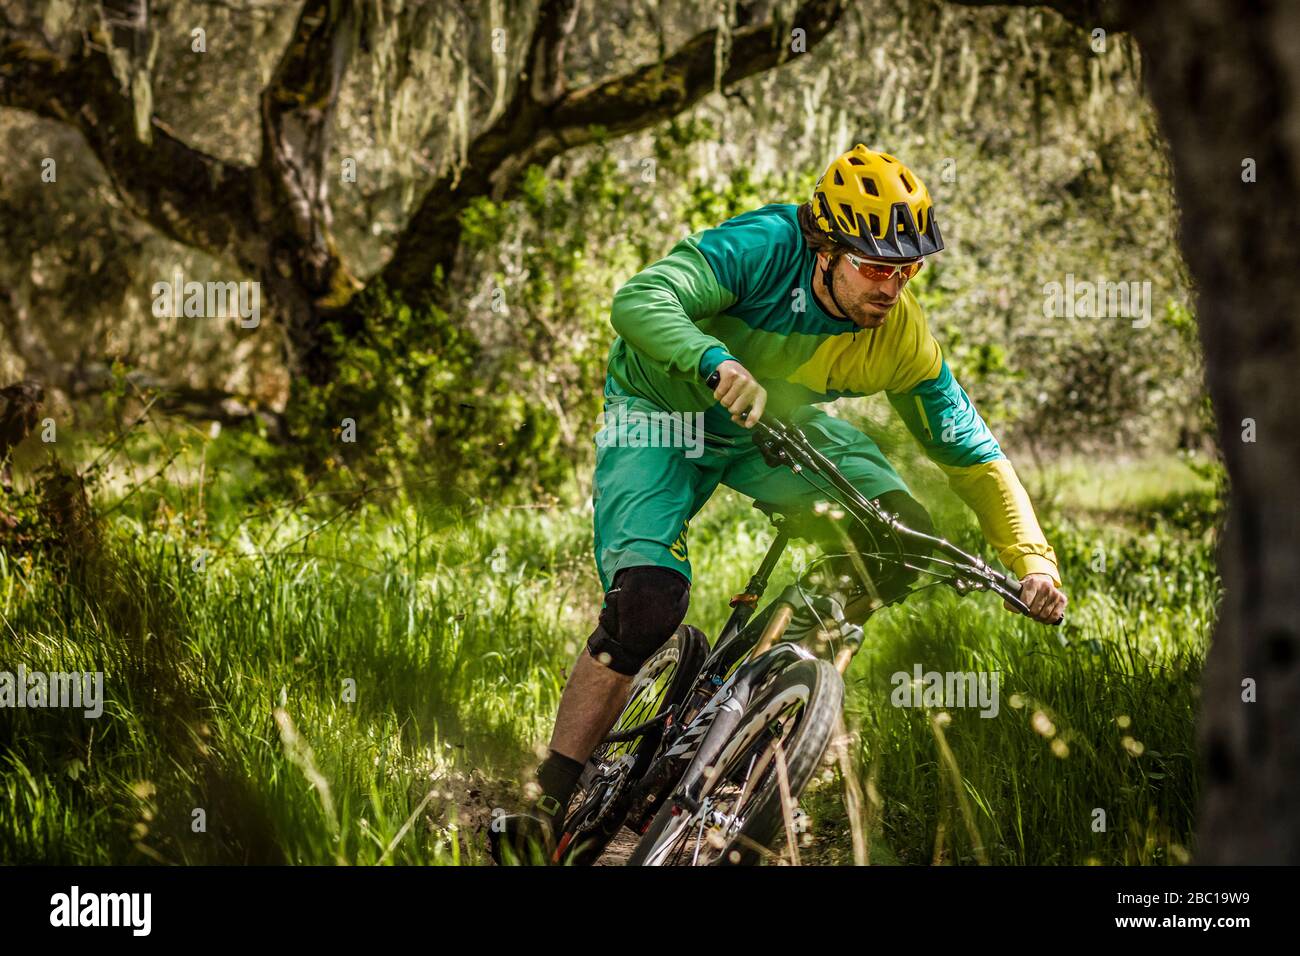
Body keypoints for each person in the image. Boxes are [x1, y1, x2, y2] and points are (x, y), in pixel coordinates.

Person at [489, 144, 1067, 864]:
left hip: (772, 425)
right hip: (661, 413)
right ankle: (547, 800)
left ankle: (763, 700)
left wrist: (1032, 561)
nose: (894, 287)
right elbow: (639, 299)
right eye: (878, 266)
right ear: (825, 248)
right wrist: (713, 359)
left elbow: (972, 453)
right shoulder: (763, 247)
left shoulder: (900, 335)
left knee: (900, 537)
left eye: (909, 269)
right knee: (647, 602)